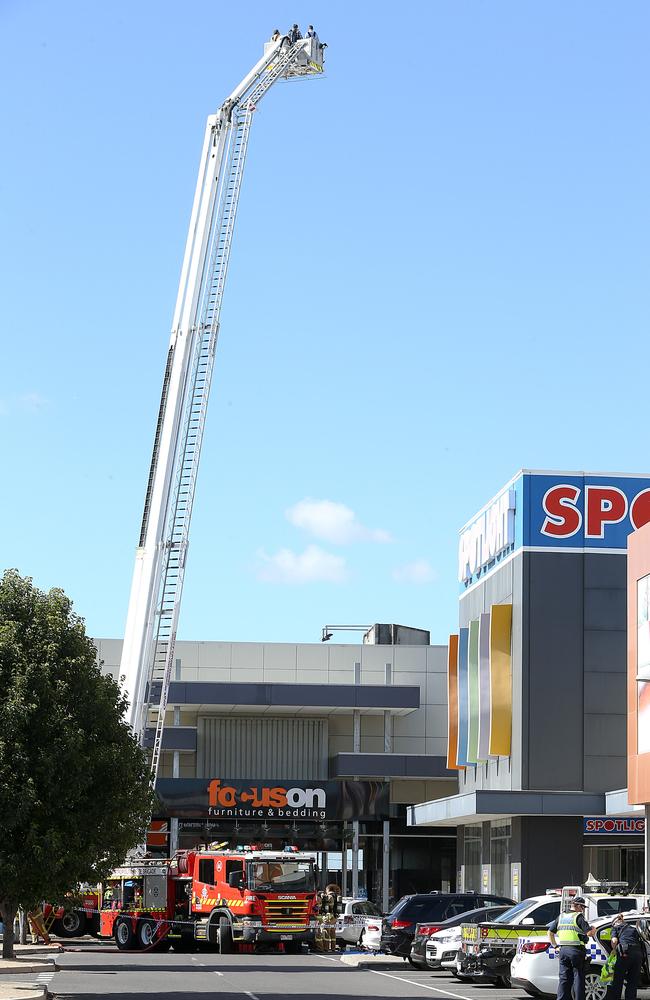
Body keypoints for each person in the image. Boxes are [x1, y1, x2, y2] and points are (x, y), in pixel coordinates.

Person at [548, 896, 595, 1000]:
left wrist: (555, 946)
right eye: (582, 907)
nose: (583, 909)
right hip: (576, 951)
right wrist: (593, 929)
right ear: (577, 906)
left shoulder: (561, 916)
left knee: (564, 979)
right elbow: (590, 933)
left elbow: (550, 932)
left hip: (563, 951)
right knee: (578, 978)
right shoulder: (578, 917)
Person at [608, 912, 645, 1000]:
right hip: (637, 954)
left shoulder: (615, 928)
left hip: (625, 953)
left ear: (615, 923)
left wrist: (613, 950)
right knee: (633, 980)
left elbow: (614, 941)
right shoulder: (632, 928)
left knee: (618, 980)